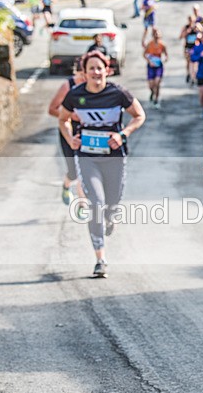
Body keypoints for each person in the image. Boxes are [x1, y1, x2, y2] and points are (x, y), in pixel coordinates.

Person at [59, 51, 146, 278]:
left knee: (112, 202)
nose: (96, 73)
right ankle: (100, 259)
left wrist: (123, 134)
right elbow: (63, 119)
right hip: (87, 157)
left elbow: (139, 115)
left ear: (107, 70)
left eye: (100, 68)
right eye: (91, 69)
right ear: (85, 73)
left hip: (114, 157)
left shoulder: (117, 94)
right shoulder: (75, 95)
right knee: (96, 204)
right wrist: (71, 139)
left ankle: (110, 216)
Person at [48, 61, 87, 208]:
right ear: (76, 73)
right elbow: (52, 109)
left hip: (86, 131)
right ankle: (66, 185)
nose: (85, 79)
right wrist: (71, 115)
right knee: (74, 171)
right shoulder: (67, 86)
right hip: (68, 130)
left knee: (84, 168)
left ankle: (82, 204)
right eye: (82, 76)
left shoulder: (92, 87)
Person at [143, 28, 168, 107]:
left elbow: (166, 55)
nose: (157, 36)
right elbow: (144, 54)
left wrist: (163, 60)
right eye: (155, 34)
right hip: (151, 66)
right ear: (153, 35)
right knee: (151, 85)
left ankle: (156, 99)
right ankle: (152, 92)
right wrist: (149, 61)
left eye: (158, 34)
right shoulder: (150, 44)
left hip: (158, 66)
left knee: (157, 83)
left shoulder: (162, 45)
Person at [179, 16, 202, 84]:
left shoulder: (197, 26)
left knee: (195, 62)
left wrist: (198, 29)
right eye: (190, 20)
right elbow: (180, 36)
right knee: (188, 61)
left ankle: (194, 76)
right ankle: (188, 73)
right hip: (188, 47)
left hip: (195, 47)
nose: (191, 22)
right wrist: (187, 32)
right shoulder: (186, 27)